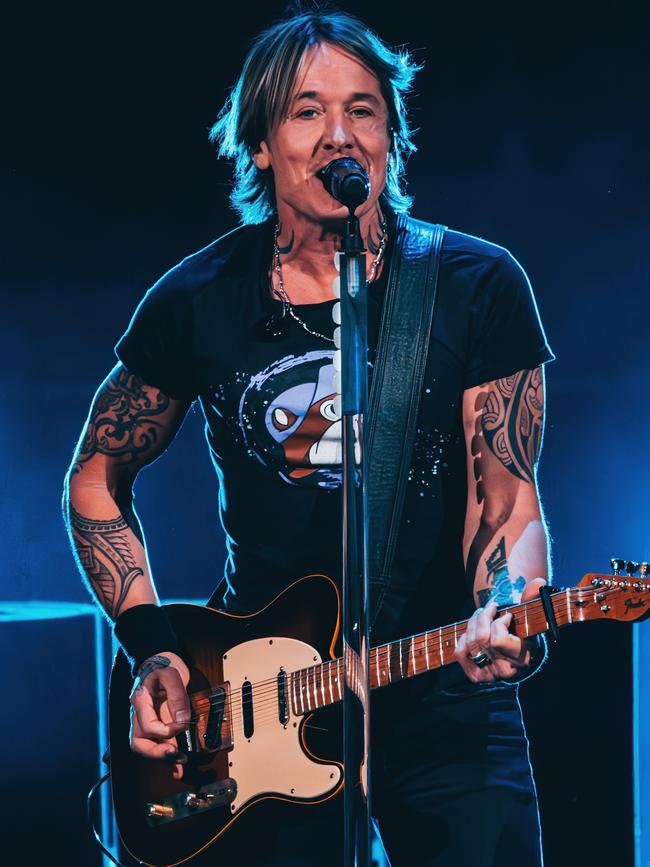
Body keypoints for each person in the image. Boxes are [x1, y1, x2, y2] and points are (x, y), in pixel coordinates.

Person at [63, 9, 554, 866]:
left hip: (439, 689)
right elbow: (95, 479)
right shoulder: (199, 298)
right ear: (260, 145)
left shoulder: (475, 285)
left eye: (364, 110)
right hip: (251, 704)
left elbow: (506, 497)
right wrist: (152, 649)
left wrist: (505, 606)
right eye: (307, 110)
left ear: (392, 136)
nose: (341, 133)